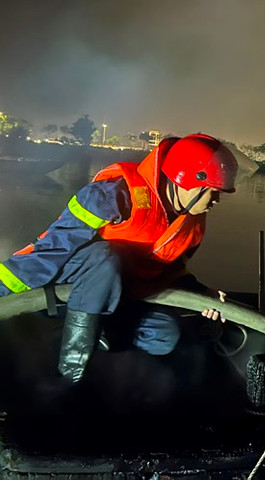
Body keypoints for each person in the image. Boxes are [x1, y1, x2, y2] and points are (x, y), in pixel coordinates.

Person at [0, 133, 238, 383]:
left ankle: (83, 335)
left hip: (117, 297)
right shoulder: (114, 195)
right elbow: (53, 249)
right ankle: (69, 375)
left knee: (165, 335)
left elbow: (172, 271)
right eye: (213, 192)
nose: (216, 200)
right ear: (188, 182)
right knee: (105, 256)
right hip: (68, 288)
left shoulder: (191, 227)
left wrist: (203, 294)